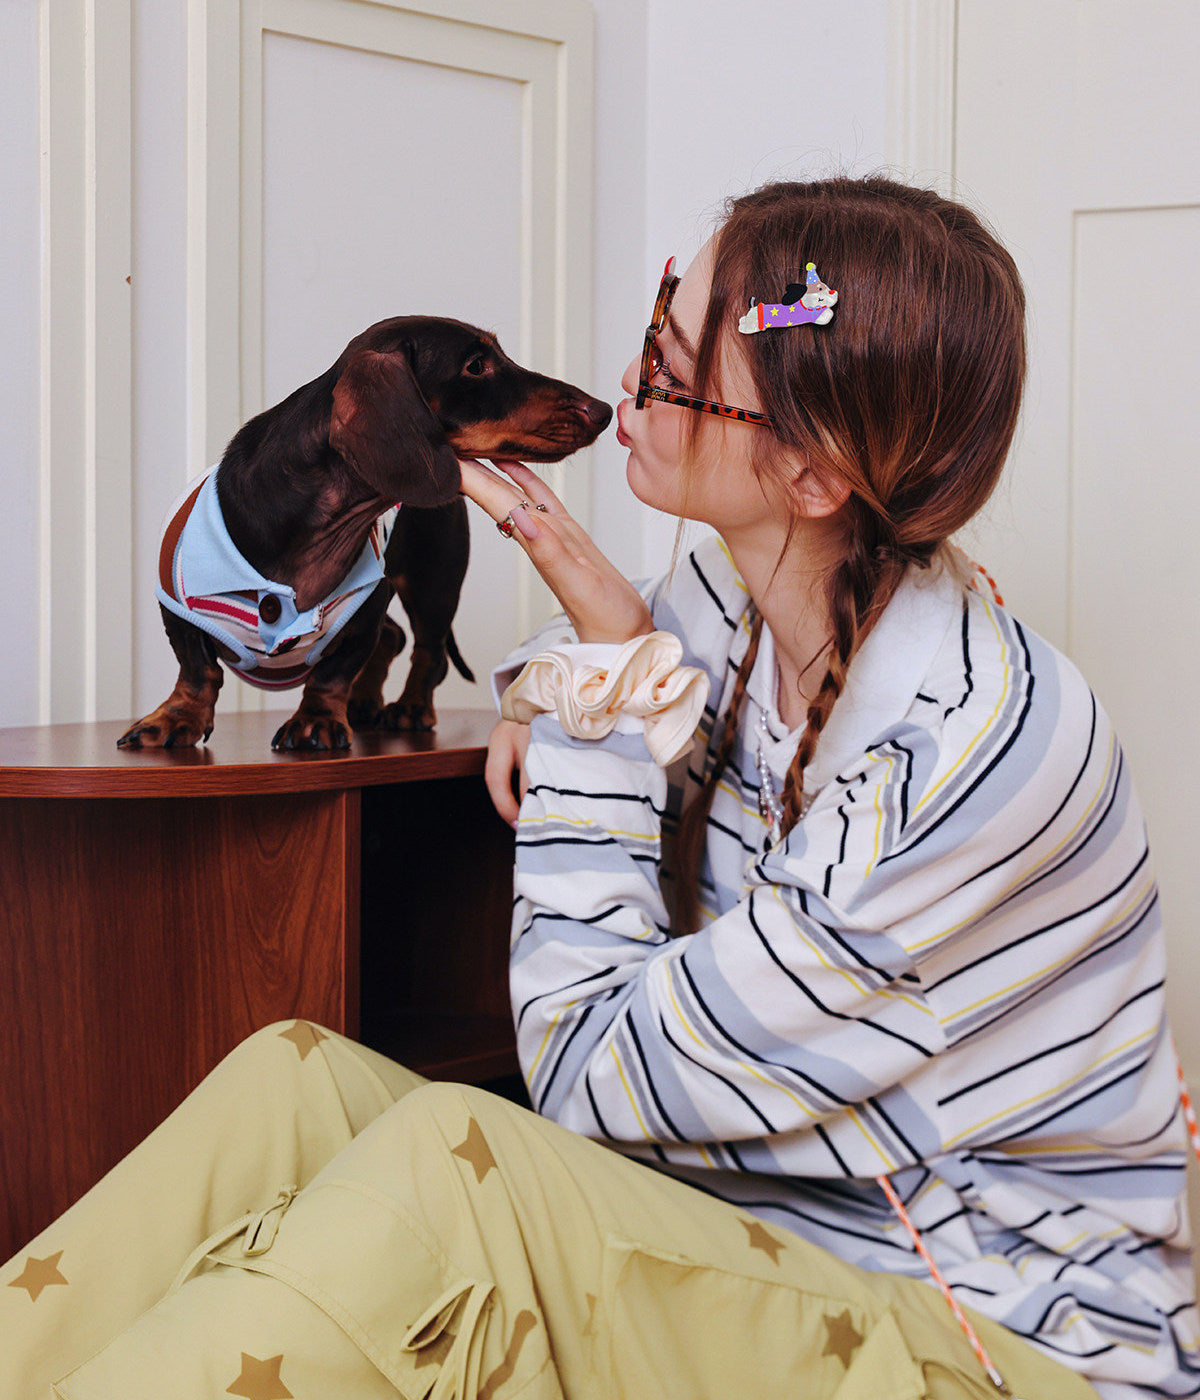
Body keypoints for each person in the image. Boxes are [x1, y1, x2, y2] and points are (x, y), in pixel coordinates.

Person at [4, 176, 1197, 1400]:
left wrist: (601, 706)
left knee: (449, 1157)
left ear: (811, 474)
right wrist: (571, 680)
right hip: (771, 1243)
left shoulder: (965, 752)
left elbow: (584, 1070)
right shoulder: (751, 597)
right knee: (293, 1077)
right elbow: (580, 664)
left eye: (668, 367)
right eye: (649, 334)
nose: (625, 391)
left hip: (1004, 1346)